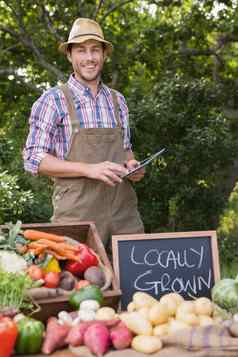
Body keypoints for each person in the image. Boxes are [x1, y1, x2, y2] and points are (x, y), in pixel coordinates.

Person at [23, 18, 144, 245]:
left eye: (95, 50)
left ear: (104, 54)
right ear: (70, 55)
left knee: (134, 277)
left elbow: (125, 148)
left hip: (124, 214)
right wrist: (89, 169)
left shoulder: (118, 101)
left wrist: (132, 165)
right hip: (77, 215)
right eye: (81, 51)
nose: (89, 58)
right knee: (80, 279)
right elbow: (33, 159)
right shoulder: (52, 101)